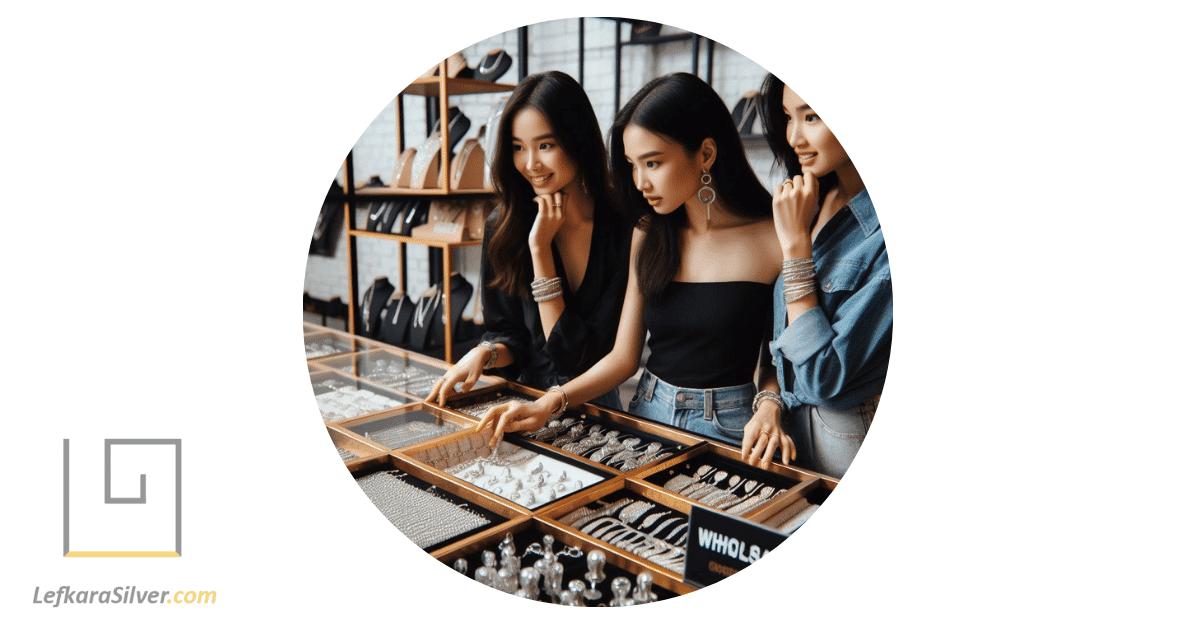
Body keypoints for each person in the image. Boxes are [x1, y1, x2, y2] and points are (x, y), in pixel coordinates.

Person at [476, 72, 795, 469]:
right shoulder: (648, 233)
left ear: (706, 154)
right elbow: (624, 358)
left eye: (653, 163)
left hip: (735, 427)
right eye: (631, 165)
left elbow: (782, 359)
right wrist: (549, 403)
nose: (640, 182)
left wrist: (769, 407)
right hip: (646, 413)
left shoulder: (775, 236)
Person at [425, 71, 628, 409]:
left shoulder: (621, 227)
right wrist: (484, 352)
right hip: (522, 401)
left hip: (597, 403)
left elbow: (575, 360)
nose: (530, 164)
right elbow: (510, 337)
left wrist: (540, 249)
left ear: (577, 140)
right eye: (518, 148)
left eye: (545, 145)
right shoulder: (504, 225)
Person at [754, 74, 892, 478]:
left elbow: (822, 376)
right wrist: (770, 403)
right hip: (791, 433)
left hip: (848, 439)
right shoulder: (810, 199)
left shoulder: (881, 238)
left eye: (811, 117)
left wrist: (796, 247)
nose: (794, 136)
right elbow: (778, 345)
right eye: (787, 117)